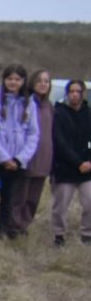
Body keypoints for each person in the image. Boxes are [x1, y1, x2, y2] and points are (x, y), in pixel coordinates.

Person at [0, 65, 36, 240]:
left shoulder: (29, 103)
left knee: (9, 198)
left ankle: (1, 230)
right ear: (4, 80)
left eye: (17, 79)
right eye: (10, 78)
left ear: (23, 81)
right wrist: (3, 157)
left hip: (17, 162)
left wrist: (20, 159)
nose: (13, 82)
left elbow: (34, 134)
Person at [11, 69, 55, 237]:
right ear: (32, 83)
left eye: (46, 81)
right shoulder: (26, 102)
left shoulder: (50, 107)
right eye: (40, 81)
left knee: (33, 199)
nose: (43, 84)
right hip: (27, 158)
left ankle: (24, 226)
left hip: (44, 159)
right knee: (19, 197)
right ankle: (13, 227)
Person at [50, 78, 91, 244]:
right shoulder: (58, 113)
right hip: (64, 168)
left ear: (83, 94)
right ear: (66, 94)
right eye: (71, 92)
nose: (74, 95)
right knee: (60, 206)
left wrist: (88, 162)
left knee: (90, 202)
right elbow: (60, 142)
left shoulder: (88, 114)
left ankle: (87, 234)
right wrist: (77, 163)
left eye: (78, 92)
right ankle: (58, 235)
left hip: (87, 170)